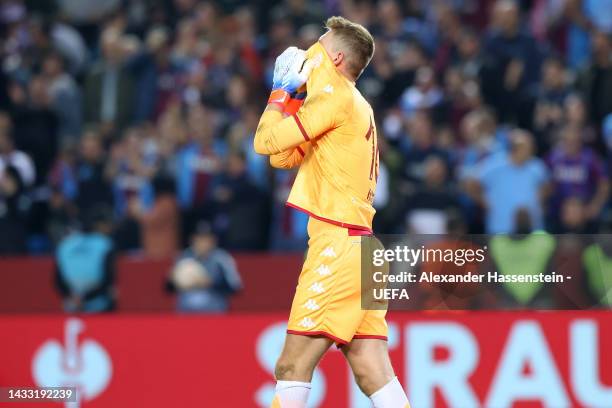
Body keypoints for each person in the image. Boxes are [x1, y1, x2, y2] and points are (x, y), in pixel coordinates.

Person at [254, 16, 410, 408]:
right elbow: (281, 158)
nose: (308, 56)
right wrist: (293, 97)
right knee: (372, 370)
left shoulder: (336, 99)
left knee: (291, 367)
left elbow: (263, 141)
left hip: (338, 246)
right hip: (365, 249)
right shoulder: (354, 105)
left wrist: (278, 93)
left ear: (336, 57)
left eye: (317, 48)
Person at [167, 221, 242, 312]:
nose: (203, 243)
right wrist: (174, 280)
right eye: (199, 239)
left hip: (214, 305)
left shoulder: (222, 258)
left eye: (206, 239)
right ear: (192, 240)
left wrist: (210, 283)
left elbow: (235, 287)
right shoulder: (184, 257)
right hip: (187, 306)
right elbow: (168, 288)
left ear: (213, 240)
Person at [54, 206, 116, 313]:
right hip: (98, 306)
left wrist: (73, 297)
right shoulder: (104, 244)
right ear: (99, 225)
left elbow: (57, 280)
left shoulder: (65, 244)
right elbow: (109, 278)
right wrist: (85, 298)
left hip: (72, 305)